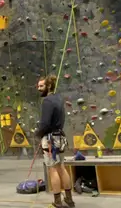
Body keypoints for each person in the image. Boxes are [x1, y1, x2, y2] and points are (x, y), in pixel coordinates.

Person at [36, 75, 75, 208]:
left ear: (48, 86)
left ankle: (58, 202)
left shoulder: (47, 101)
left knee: (53, 170)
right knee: (61, 168)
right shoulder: (59, 99)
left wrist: (38, 134)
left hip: (50, 139)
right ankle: (69, 200)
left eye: (41, 86)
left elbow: (45, 124)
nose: (39, 89)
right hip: (60, 137)